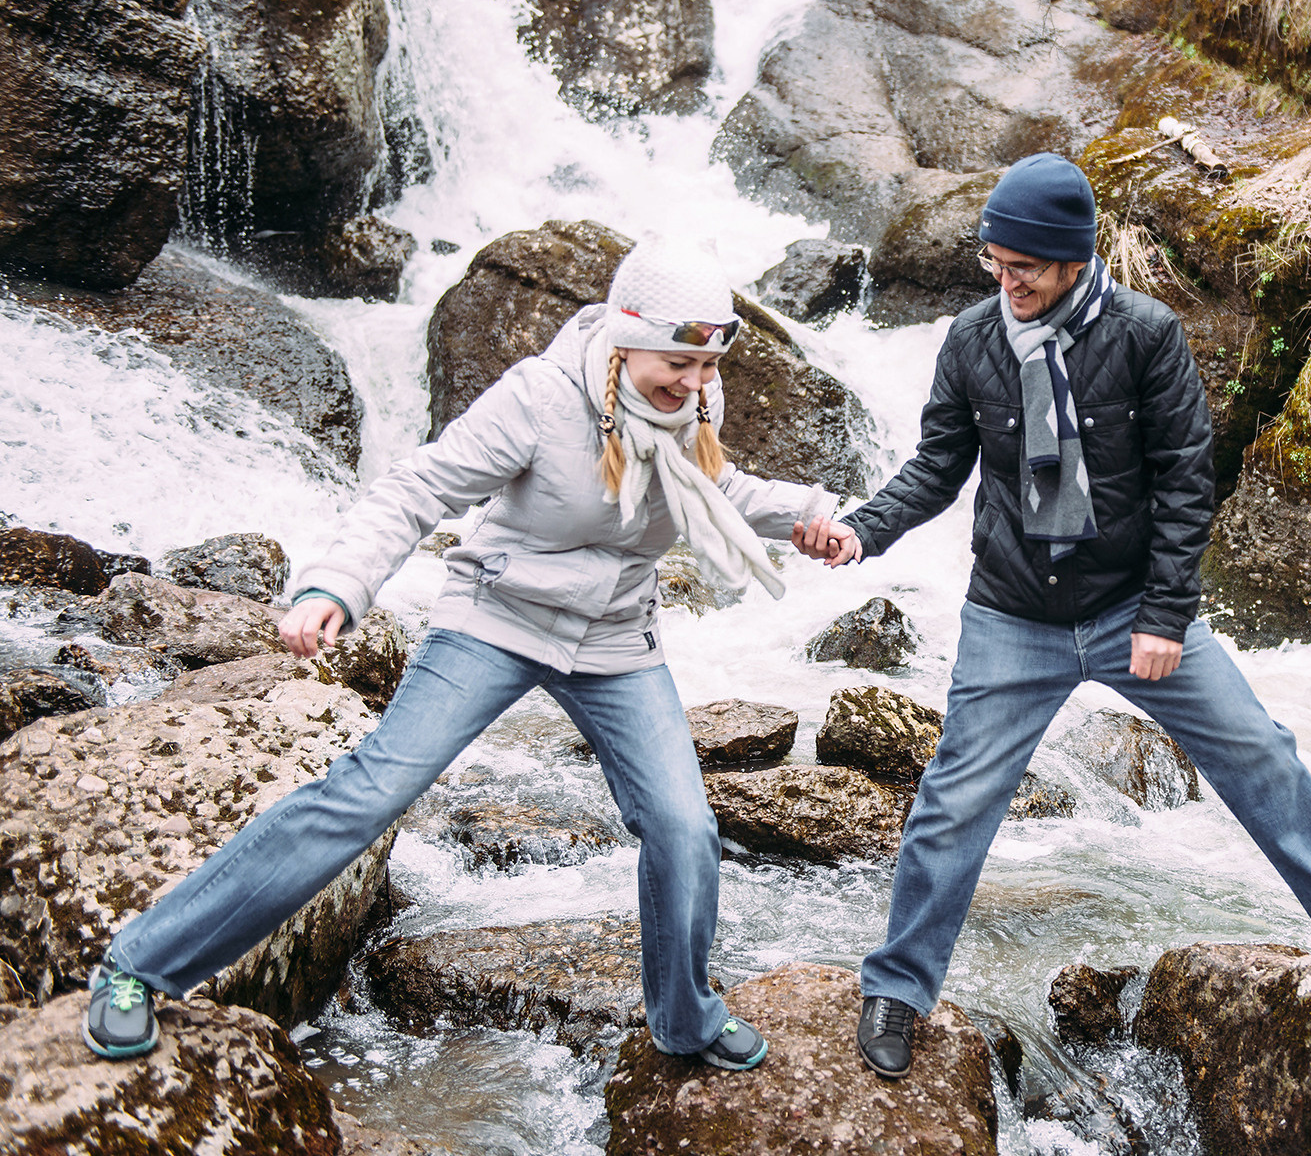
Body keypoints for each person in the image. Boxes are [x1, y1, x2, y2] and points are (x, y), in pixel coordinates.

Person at [84, 244, 857, 1069]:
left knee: (683, 825)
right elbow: (416, 489)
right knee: (369, 792)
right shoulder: (538, 398)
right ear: (625, 338)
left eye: (709, 362)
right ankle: (138, 966)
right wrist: (336, 585)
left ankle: (684, 1016)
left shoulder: (696, 398)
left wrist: (806, 513)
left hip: (613, 638)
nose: (697, 380)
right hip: (497, 617)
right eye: (680, 360)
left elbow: (711, 487)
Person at [797, 153, 1311, 1079]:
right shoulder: (972, 339)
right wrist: (862, 532)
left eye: (1022, 263)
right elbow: (937, 467)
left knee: (1255, 744)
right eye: (995, 259)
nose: (1005, 279)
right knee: (953, 802)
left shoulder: (1147, 334)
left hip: (1129, 607)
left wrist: (1163, 614)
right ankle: (899, 988)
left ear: (1074, 257)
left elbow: (1188, 481)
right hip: (1011, 612)